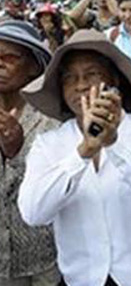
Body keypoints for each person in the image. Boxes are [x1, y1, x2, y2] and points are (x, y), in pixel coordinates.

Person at [18, 29, 131, 286]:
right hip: (85, 277)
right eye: (69, 79)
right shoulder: (49, 144)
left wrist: (114, 145)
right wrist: (83, 152)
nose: (81, 86)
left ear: (114, 80)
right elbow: (33, 213)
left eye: (92, 74)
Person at [0, 21, 59, 286]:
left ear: (35, 66)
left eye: (9, 58)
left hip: (42, 257)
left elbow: (55, 187)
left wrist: (16, 152)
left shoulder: (52, 119)